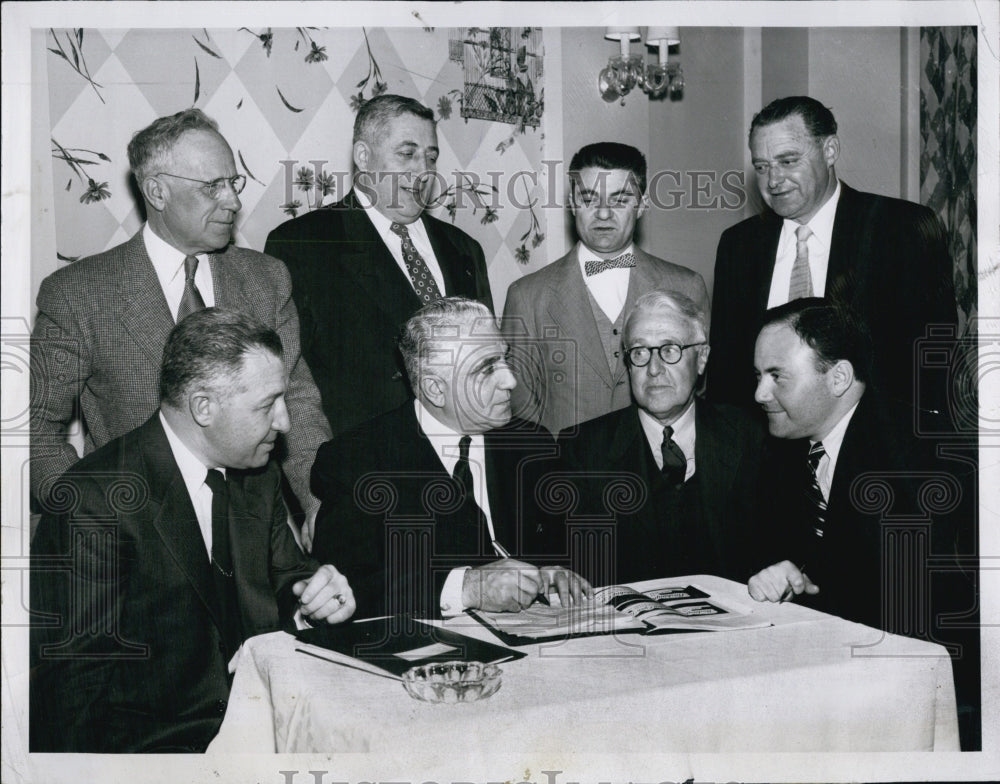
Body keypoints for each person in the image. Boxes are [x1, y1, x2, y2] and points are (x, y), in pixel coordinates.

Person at [30, 309, 355, 753]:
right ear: (203, 407)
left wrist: (317, 599)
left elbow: (286, 585)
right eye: (267, 405)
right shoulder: (95, 501)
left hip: (268, 733)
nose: (284, 422)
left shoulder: (256, 474)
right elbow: (71, 692)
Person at [30, 108, 330, 546]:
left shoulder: (267, 279)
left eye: (234, 182)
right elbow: (32, 424)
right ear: (157, 191)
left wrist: (321, 502)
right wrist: (86, 514)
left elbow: (297, 405)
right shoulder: (79, 294)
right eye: (212, 186)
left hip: (254, 542)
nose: (232, 201)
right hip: (136, 544)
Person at [748, 298, 978, 747]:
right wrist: (785, 575)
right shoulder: (786, 451)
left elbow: (915, 611)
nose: (759, 393)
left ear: (838, 377)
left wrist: (809, 583)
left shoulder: (917, 460)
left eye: (776, 376)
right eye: (757, 376)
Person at [310, 297, 591, 618]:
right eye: (487, 368)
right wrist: (467, 588)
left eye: (505, 359)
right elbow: (345, 591)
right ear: (435, 389)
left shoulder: (533, 444)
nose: (510, 380)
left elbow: (563, 546)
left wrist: (553, 572)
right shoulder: (356, 461)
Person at [264, 94, 492, 439]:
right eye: (407, 154)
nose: (423, 171)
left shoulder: (464, 249)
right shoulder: (303, 244)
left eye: (431, 157)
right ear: (363, 156)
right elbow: (290, 387)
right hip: (364, 468)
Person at [708, 95, 956, 409]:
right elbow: (726, 374)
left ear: (830, 151)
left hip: (874, 445)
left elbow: (934, 357)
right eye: (762, 166)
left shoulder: (903, 229)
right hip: (764, 446)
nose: (773, 180)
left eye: (788, 161)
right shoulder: (738, 246)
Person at [551, 290, 765, 586]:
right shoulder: (583, 450)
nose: (653, 369)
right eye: (639, 353)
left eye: (669, 349)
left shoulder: (750, 437)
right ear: (627, 364)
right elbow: (564, 566)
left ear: (701, 359)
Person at [502, 142, 709, 435]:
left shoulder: (686, 286)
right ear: (572, 202)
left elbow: (698, 396)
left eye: (620, 200)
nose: (602, 214)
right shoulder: (527, 296)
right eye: (589, 199)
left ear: (642, 205)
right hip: (566, 473)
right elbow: (521, 411)